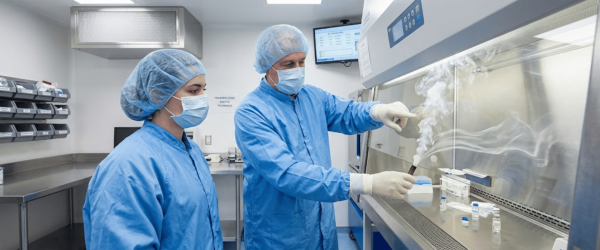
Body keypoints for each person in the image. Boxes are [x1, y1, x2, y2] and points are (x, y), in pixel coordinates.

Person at [234, 24, 418, 250]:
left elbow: (348, 113)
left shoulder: (312, 96)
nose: (298, 69)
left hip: (321, 228)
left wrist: (377, 111)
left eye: (302, 62)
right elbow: (287, 173)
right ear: (266, 66)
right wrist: (365, 182)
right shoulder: (251, 111)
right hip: (279, 236)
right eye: (288, 64)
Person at [83, 49, 222, 250]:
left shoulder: (191, 151)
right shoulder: (128, 165)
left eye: (203, 90)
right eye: (193, 91)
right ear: (158, 94)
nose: (202, 98)